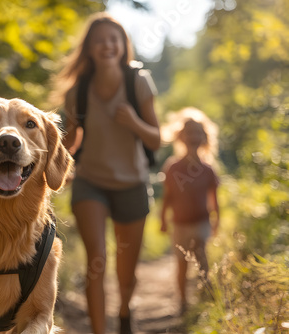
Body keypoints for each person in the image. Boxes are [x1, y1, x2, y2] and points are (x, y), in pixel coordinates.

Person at [50, 12, 160, 334]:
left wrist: (134, 122)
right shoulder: (78, 92)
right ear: (89, 48)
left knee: (127, 271)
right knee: (96, 260)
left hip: (132, 183)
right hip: (90, 182)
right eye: (99, 40)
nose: (107, 45)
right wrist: (53, 166)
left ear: (122, 45)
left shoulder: (137, 81)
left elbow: (156, 137)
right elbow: (71, 139)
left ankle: (125, 311)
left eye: (113, 39)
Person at [159, 107, 220, 314]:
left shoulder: (208, 169)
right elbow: (167, 198)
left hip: (202, 221)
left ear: (204, 137)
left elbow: (214, 199)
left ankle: (208, 299)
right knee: (181, 263)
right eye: (188, 132)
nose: (193, 137)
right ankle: (183, 302)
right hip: (179, 223)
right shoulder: (173, 167)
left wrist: (217, 220)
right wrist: (162, 220)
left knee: (202, 255)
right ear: (180, 137)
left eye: (197, 132)